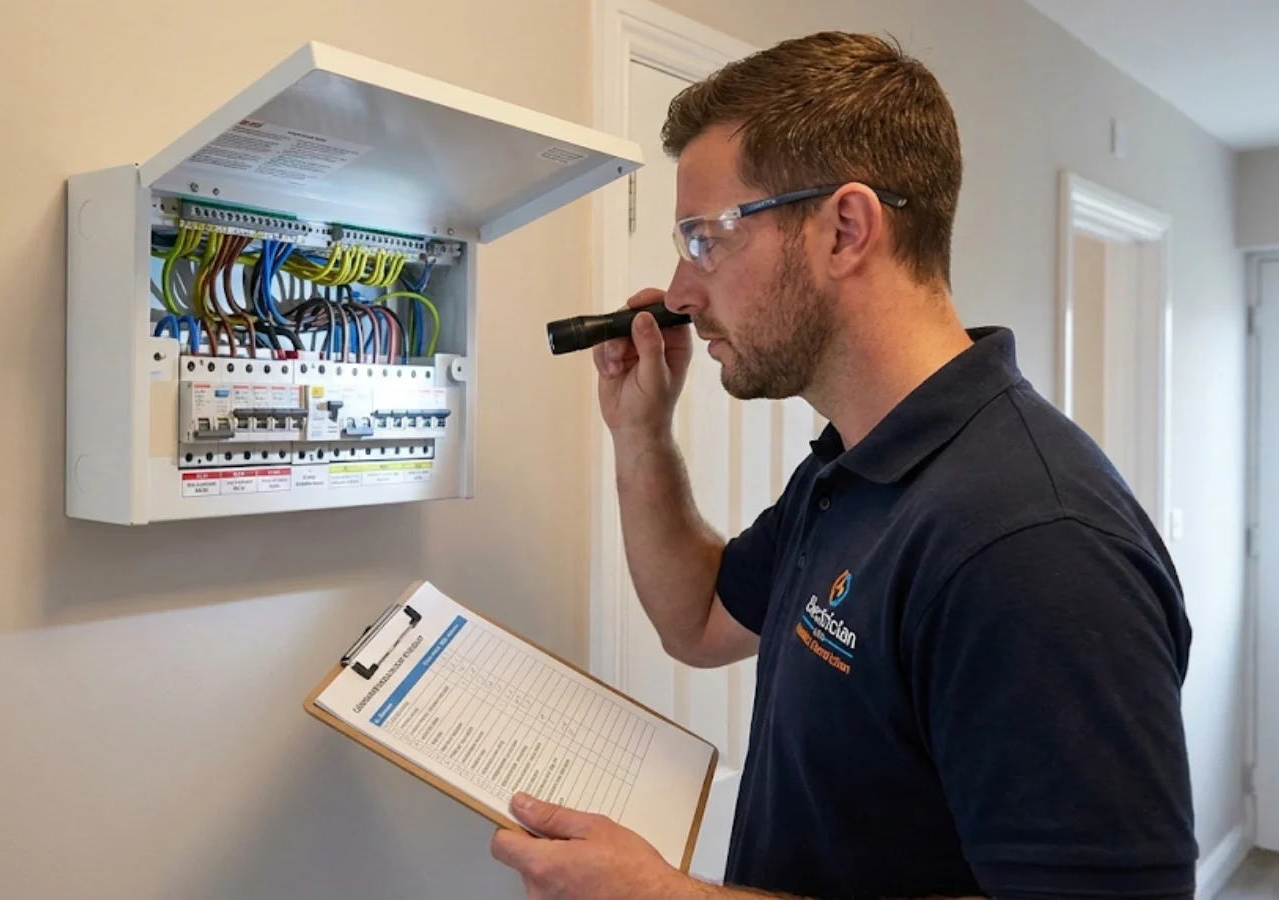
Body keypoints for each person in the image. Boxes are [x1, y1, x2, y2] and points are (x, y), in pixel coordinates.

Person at [489, 30, 1197, 900]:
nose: (678, 293)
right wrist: (641, 432)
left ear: (846, 230)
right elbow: (698, 619)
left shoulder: (1035, 545)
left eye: (705, 239)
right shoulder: (855, 469)